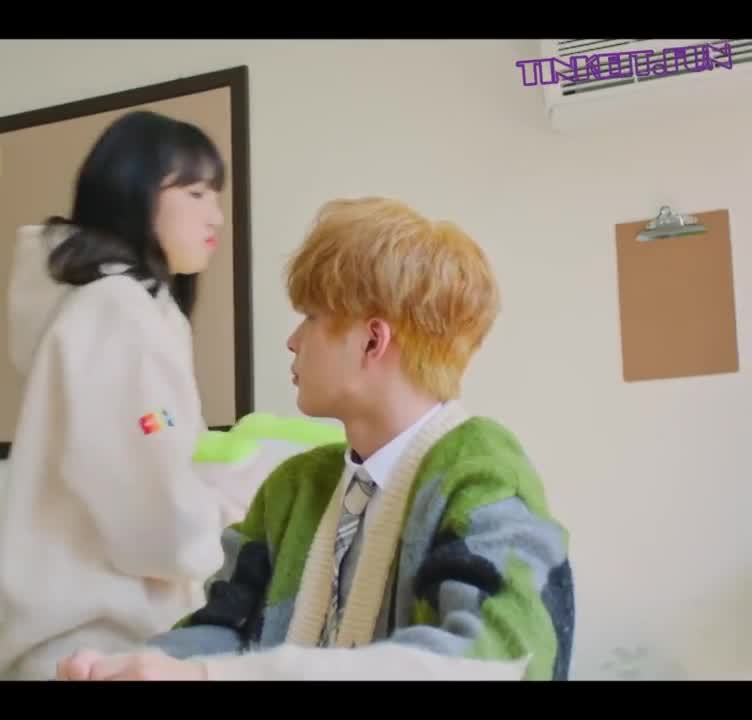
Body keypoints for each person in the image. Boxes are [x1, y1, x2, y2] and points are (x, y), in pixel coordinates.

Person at [55, 196, 576, 681]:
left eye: (311, 317)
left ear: (373, 341)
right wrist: (129, 667)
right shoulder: (293, 488)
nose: (293, 339)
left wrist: (205, 678)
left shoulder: (483, 474)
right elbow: (224, 627)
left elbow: (503, 660)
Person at [0, 110, 236, 681]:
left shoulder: (124, 310)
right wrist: (243, 496)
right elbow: (156, 524)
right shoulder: (117, 311)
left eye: (216, 196)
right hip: (98, 652)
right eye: (195, 193)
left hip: (94, 649)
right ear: (134, 192)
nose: (215, 215)